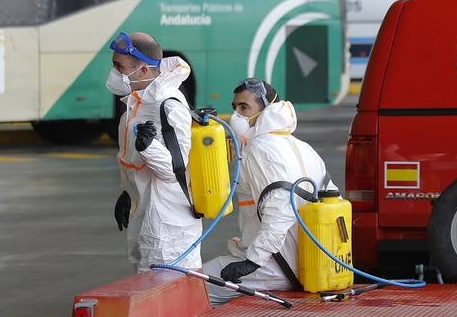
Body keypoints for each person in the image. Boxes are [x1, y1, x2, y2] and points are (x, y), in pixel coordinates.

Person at [202, 79, 335, 301]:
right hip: (314, 266)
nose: (236, 116)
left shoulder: (259, 149)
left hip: (274, 266)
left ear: (267, 109)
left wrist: (252, 261)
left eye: (244, 108)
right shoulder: (303, 147)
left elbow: (282, 210)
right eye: (234, 107)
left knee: (189, 287)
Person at [107, 31, 202, 272]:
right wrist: (128, 192)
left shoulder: (169, 106)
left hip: (167, 228)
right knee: (147, 286)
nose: (115, 73)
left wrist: (148, 147)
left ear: (142, 71)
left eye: (120, 66)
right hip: (145, 213)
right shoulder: (136, 103)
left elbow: (173, 171)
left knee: (167, 294)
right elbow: (132, 161)